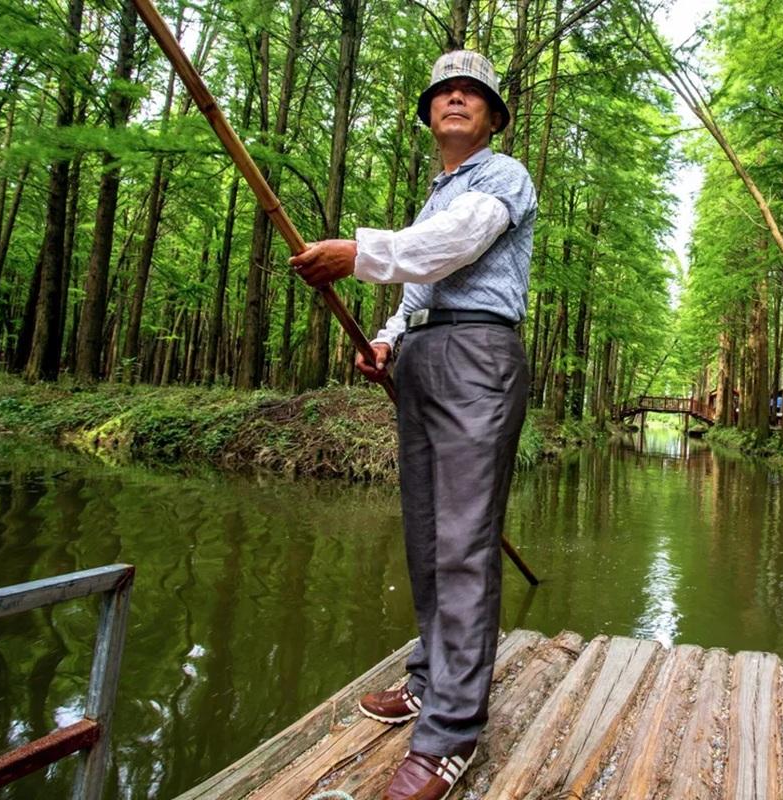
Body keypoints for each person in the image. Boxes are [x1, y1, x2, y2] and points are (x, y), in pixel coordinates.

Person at [290, 49, 536, 800]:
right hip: (425, 357)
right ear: (430, 112)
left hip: (478, 357)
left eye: (473, 92)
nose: (457, 99)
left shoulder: (503, 177)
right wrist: (390, 339)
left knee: (463, 543)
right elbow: (421, 283)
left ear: (492, 116)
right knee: (428, 536)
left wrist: (360, 252)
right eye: (444, 91)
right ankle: (430, 681)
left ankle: (451, 736)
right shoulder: (434, 196)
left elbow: (455, 245)